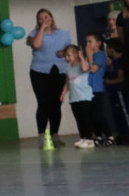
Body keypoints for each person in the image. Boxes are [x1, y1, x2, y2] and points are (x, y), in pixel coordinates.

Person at [26, 8, 71, 147]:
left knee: (56, 104)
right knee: (43, 102)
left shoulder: (63, 33)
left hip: (59, 71)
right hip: (40, 72)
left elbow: (69, 51)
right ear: (38, 21)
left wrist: (63, 53)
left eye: (46, 16)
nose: (44, 19)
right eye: (40, 18)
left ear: (51, 17)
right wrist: (42, 29)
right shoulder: (33, 34)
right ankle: (41, 135)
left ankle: (55, 134)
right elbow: (36, 45)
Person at [62, 45, 95, 148]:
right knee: (79, 119)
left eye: (69, 55)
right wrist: (63, 93)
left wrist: (81, 57)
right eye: (65, 56)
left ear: (76, 54)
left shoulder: (83, 64)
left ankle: (89, 140)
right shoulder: (68, 68)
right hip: (74, 98)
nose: (67, 58)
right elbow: (67, 82)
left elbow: (85, 69)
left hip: (85, 97)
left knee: (86, 119)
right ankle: (83, 138)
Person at [85, 32, 116, 146]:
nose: (87, 45)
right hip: (89, 90)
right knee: (93, 115)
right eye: (86, 42)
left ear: (98, 43)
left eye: (90, 42)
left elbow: (93, 69)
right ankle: (98, 135)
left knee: (101, 114)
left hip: (98, 89)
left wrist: (89, 55)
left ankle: (110, 135)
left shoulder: (100, 54)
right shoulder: (89, 56)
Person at [104, 37, 129, 139]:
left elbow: (121, 78)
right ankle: (121, 133)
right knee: (116, 113)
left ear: (112, 48)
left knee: (124, 112)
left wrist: (108, 82)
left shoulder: (119, 62)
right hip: (112, 92)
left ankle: (128, 132)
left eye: (107, 48)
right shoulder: (112, 62)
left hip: (119, 91)